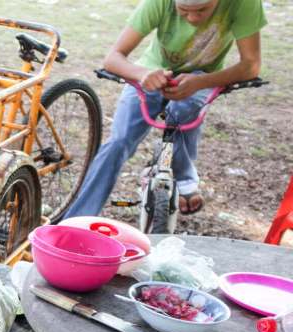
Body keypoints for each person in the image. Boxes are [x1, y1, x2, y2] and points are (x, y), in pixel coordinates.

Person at [63, 0, 265, 219]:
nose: (193, 19)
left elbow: (250, 65)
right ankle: (74, 221)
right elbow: (113, 58)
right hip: (151, 71)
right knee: (118, 142)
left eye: (202, 11)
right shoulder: (158, 2)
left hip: (202, 75)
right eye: (184, 11)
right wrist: (142, 75)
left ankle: (184, 177)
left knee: (182, 111)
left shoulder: (244, 3)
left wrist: (201, 82)